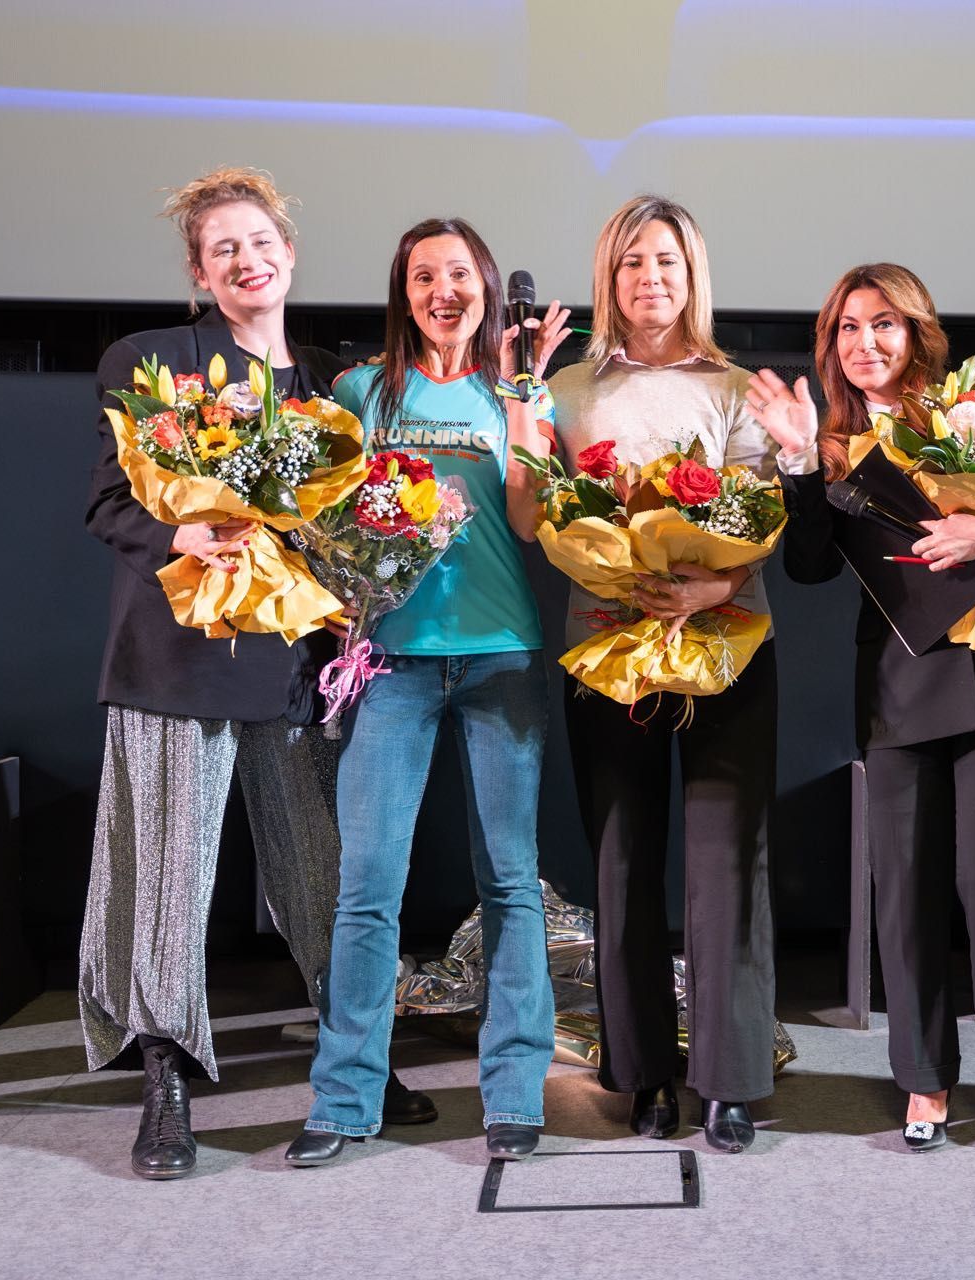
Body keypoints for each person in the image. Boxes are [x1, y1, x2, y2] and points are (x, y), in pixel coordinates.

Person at [78, 168, 435, 1181]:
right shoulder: (151, 361)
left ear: (289, 252)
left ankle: (355, 1058)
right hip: (174, 664)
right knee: (171, 884)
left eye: (259, 240)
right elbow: (109, 503)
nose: (247, 258)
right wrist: (173, 523)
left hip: (297, 669)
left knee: (324, 874)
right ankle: (168, 1084)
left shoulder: (331, 378)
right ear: (200, 271)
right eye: (223, 247)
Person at [746, 264, 975, 1151]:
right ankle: (923, 1078)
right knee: (905, 890)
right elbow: (809, 565)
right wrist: (794, 460)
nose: (865, 344)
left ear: (918, 332)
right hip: (898, 684)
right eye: (848, 329)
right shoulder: (834, 447)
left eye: (883, 325)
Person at [286, 218, 569, 1166]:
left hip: (499, 659)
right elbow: (327, 516)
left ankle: (516, 1096)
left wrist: (528, 402)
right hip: (396, 664)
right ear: (403, 294)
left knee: (509, 883)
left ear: (488, 287)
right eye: (422, 276)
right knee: (368, 888)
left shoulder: (516, 392)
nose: (442, 290)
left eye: (458, 273)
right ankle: (343, 1099)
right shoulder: (364, 391)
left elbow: (529, 526)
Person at [546, 195, 777, 1154]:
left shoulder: (734, 388)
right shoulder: (565, 391)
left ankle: (729, 1080)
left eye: (669, 262)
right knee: (624, 859)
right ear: (610, 278)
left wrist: (707, 584)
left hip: (725, 646)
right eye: (634, 262)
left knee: (728, 864)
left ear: (695, 276)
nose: (651, 279)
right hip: (608, 646)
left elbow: (762, 511)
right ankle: (639, 1072)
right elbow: (545, 508)